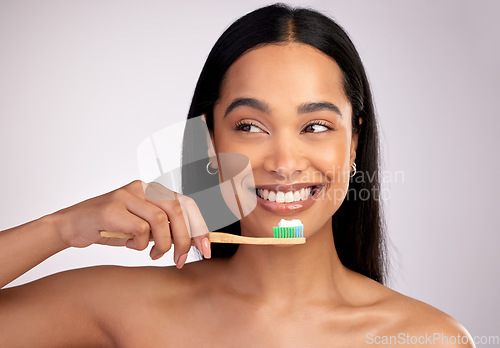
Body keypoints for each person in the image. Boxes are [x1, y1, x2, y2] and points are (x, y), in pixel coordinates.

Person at [0, 4, 473, 347]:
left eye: (316, 126)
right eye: (250, 126)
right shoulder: (121, 307)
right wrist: (61, 227)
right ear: (208, 143)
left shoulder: (426, 338)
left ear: (352, 143)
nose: (284, 163)